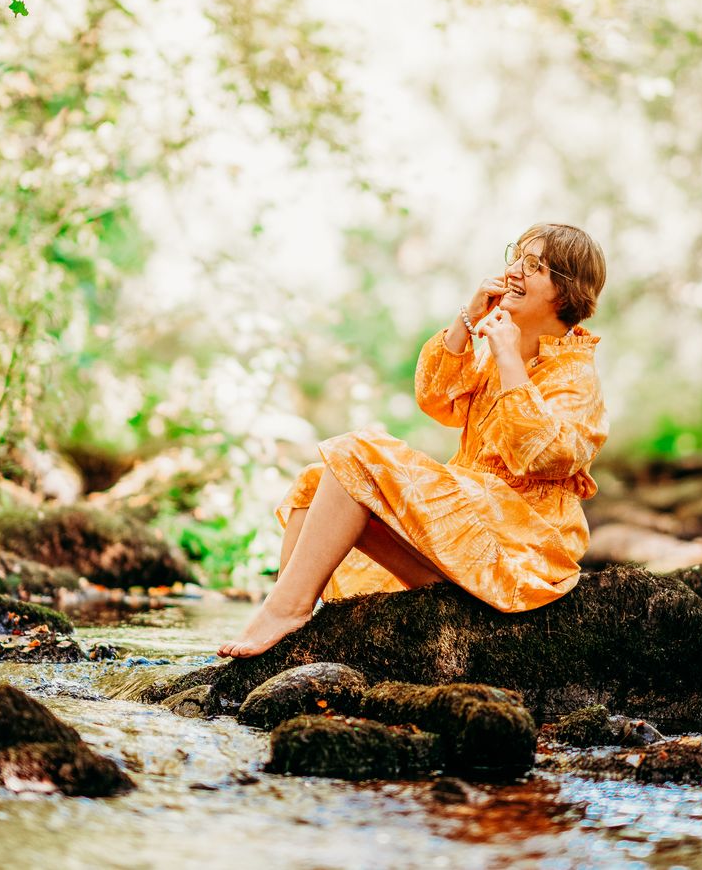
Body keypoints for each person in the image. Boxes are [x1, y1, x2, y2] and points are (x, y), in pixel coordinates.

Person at [217, 223, 608, 658]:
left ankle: (285, 610)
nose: (514, 270)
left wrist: (508, 357)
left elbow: (542, 456)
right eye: (515, 256)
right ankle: (288, 621)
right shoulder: (496, 347)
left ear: (568, 291)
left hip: (522, 551)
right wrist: (468, 320)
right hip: (469, 528)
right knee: (317, 482)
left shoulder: (576, 374)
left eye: (533, 265)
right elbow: (436, 400)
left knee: (356, 453)